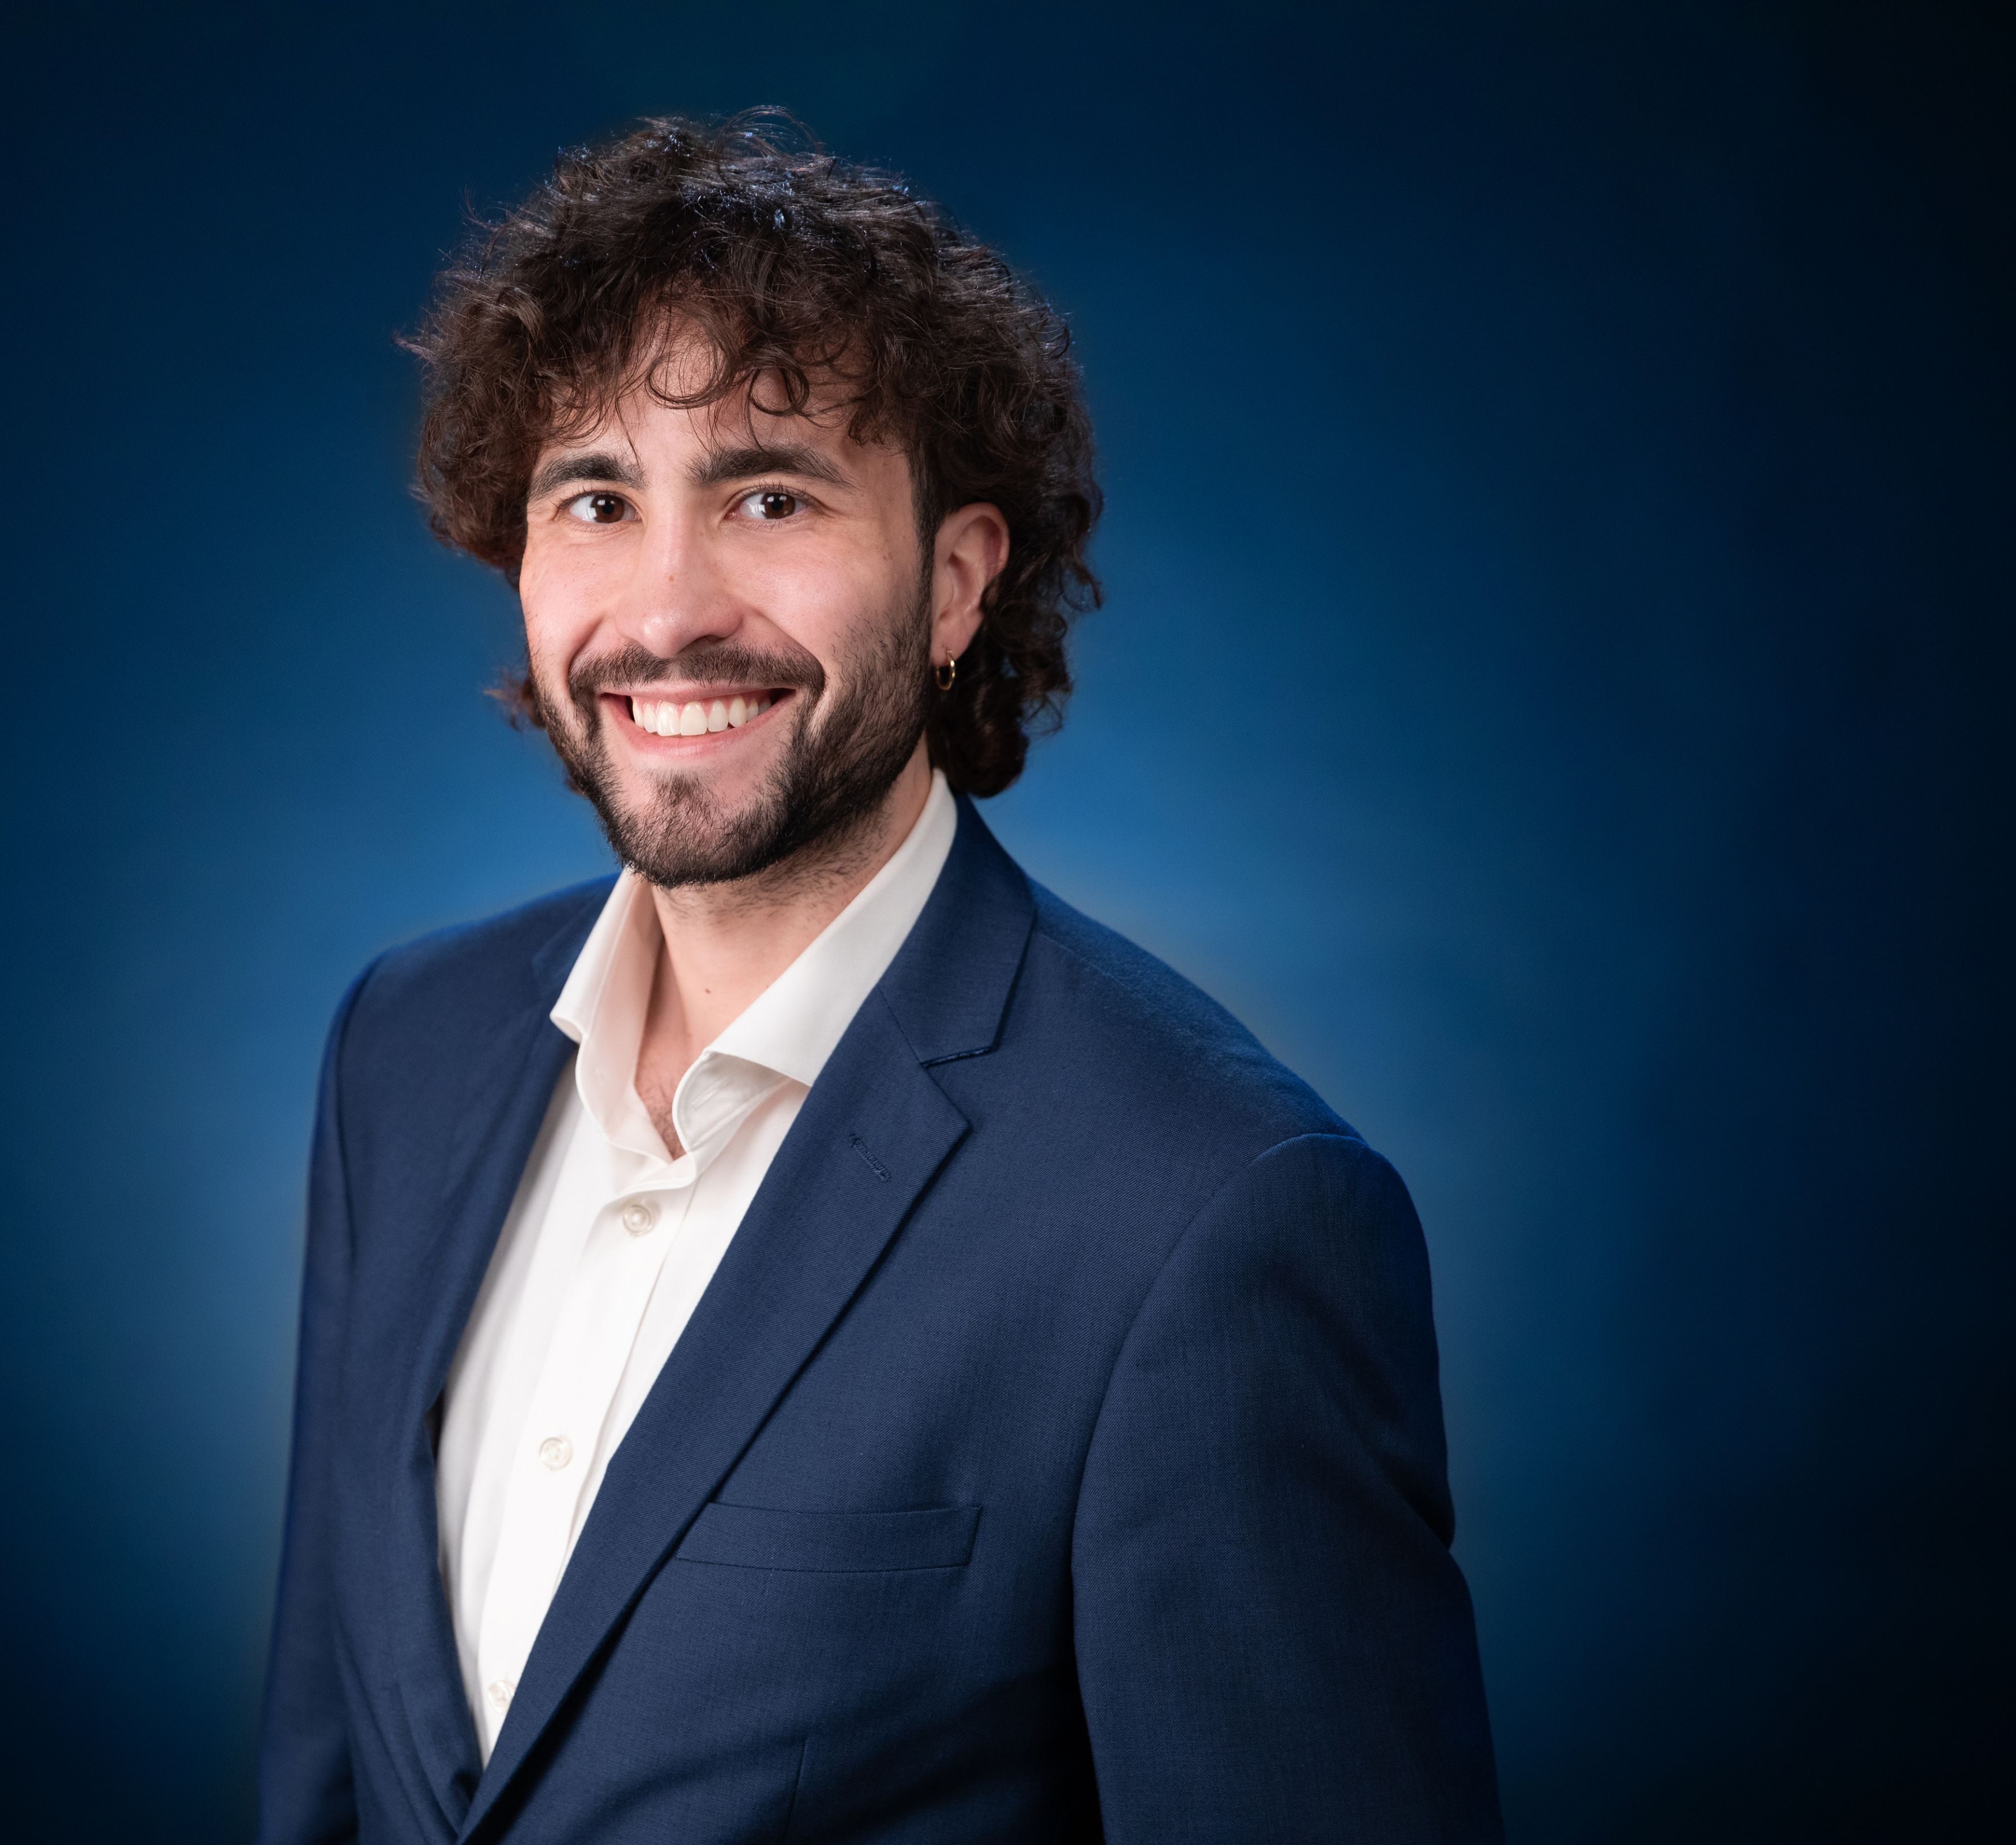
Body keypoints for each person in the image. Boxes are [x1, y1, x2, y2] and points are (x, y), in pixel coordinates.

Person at [257, 115, 1499, 1843]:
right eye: (596, 500)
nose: (667, 607)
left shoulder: (1213, 1217)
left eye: (771, 495)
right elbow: (329, 1768)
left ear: (956, 583)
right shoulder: (404, 1052)